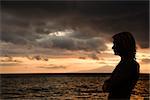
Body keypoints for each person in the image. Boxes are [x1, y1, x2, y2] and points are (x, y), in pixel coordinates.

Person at [102, 32, 140, 99]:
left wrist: (108, 83)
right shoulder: (125, 64)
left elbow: (110, 86)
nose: (113, 47)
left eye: (115, 44)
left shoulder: (128, 65)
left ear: (123, 45)